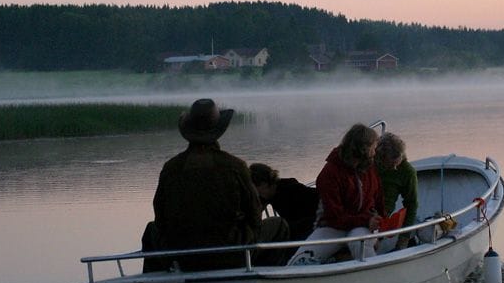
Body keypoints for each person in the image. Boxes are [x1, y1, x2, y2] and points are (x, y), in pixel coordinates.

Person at [144, 98, 289, 272]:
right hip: (230, 254)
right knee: (279, 225)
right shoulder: (236, 166)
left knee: (151, 229)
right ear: (219, 131)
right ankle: (261, 280)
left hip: (182, 256)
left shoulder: (170, 168)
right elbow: (254, 217)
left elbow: (160, 217)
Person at [288, 124, 385, 265]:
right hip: (334, 225)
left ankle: (375, 276)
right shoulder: (329, 174)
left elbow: (378, 197)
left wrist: (382, 227)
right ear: (362, 148)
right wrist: (365, 220)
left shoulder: (370, 168)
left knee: (360, 244)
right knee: (298, 261)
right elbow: (335, 216)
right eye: (373, 148)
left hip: (362, 225)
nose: (375, 152)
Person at [249, 163, 320, 241]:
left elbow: (315, 208)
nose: (252, 192)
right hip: (298, 229)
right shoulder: (268, 194)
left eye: (252, 188)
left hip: (313, 227)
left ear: (264, 184)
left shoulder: (291, 190)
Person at [374, 132, 419, 252]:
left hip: (381, 218)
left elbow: (412, 204)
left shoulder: (407, 171)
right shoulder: (369, 164)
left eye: (397, 163)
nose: (394, 168)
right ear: (380, 157)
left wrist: (404, 237)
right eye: (390, 164)